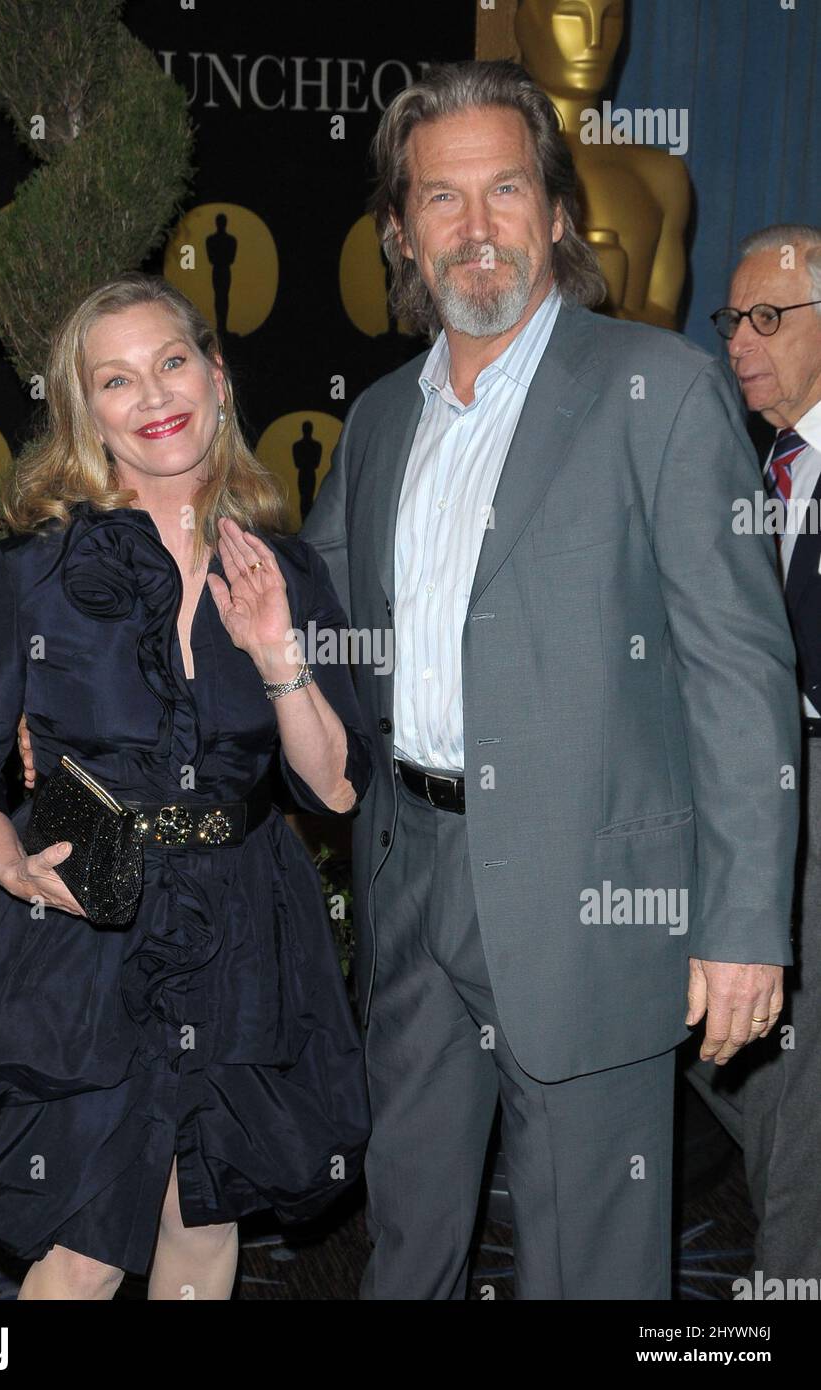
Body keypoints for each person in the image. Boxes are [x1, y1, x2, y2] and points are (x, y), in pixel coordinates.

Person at [297, 60, 800, 1299]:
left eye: (505, 190)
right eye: (441, 199)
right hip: (412, 882)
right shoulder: (375, 428)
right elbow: (304, 631)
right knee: (403, 1242)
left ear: (558, 214)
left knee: (587, 1261)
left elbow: (741, 672)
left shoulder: (660, 392)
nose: (475, 228)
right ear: (402, 234)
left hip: (591, 903)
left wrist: (742, 923)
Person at [0, 271, 374, 1301]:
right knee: (83, 1244)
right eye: (115, 381)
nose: (153, 396)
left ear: (215, 377)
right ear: (86, 413)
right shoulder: (32, 569)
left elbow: (334, 788)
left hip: (242, 920)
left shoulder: (286, 568)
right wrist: (20, 868)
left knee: (200, 1213)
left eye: (171, 362)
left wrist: (276, 657)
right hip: (84, 930)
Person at [713, 223, 821, 1281]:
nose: (740, 341)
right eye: (730, 320)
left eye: (767, 318)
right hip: (747, 788)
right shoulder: (751, 464)